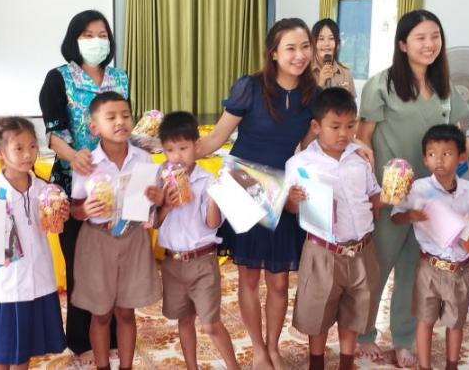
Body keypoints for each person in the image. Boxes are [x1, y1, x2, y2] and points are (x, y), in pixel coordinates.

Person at [354, 9, 469, 367]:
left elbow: (458, 140)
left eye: (435, 36)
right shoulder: (382, 85)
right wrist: (371, 191)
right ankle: (363, 333)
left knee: (412, 271)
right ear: (403, 44)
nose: (429, 44)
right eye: (420, 37)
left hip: (433, 197)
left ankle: (403, 338)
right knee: (377, 267)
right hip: (392, 197)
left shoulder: (445, 89)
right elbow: (363, 139)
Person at [197, 18, 318, 370]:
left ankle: (274, 347)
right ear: (274, 53)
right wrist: (178, 153)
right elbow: (216, 138)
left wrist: (358, 149)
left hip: (282, 191)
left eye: (305, 47)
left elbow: (309, 148)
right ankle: (258, 350)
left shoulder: (313, 95)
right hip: (246, 186)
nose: (299, 55)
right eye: (291, 48)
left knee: (279, 283)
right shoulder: (249, 87)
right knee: (249, 277)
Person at [38, 10, 126, 354]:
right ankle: (79, 338)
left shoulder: (119, 77)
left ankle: (114, 334)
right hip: (74, 182)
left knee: (114, 262)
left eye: (102, 35)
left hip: (115, 181)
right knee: (80, 263)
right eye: (87, 35)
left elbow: (123, 124)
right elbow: (53, 133)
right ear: (74, 40)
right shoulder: (58, 78)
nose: (96, 41)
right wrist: (74, 156)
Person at [285, 87, 381, 370]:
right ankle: (316, 362)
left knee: (356, 308)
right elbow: (291, 208)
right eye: (335, 126)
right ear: (316, 127)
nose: (344, 134)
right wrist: (293, 199)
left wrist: (394, 193)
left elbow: (373, 195)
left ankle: (346, 362)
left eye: (350, 126)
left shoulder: (361, 159)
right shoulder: (300, 164)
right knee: (318, 311)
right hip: (323, 251)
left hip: (361, 248)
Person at [0, 117, 67, 369]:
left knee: (24, 351)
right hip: (3, 289)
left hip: (37, 282)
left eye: (32, 146)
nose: (28, 154)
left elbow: (52, 227)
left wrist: (60, 215)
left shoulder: (45, 190)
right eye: (18, 148)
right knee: (1, 352)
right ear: (0, 153)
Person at [69, 91, 163, 370]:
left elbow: (154, 202)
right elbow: (75, 209)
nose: (120, 121)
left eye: (125, 115)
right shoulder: (87, 163)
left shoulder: (144, 159)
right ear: (94, 127)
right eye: (110, 117)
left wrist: (156, 199)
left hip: (134, 238)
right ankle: (102, 366)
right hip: (98, 240)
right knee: (100, 313)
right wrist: (85, 210)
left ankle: (126, 366)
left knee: (126, 311)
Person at [391, 124, 469, 370]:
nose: (438, 159)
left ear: (462, 157)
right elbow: (395, 217)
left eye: (446, 153)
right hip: (429, 266)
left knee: (455, 322)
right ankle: (425, 366)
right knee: (424, 319)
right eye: (432, 154)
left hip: (460, 268)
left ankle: (451, 365)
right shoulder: (418, 188)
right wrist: (411, 215)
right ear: (425, 159)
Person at [154, 111, 239, 370]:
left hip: (202, 261)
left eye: (183, 148)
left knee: (211, 323)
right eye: (170, 150)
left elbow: (212, 223)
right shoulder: (160, 176)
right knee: (184, 319)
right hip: (173, 263)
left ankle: (233, 366)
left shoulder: (207, 179)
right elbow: (154, 222)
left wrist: (215, 196)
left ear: (196, 145)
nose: (177, 156)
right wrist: (166, 204)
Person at [311, 18, 355, 96]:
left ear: (338, 44)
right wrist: (320, 84)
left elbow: (351, 103)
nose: (326, 44)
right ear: (313, 42)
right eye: (321, 39)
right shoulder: (305, 72)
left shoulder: (346, 73)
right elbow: (302, 103)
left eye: (331, 38)